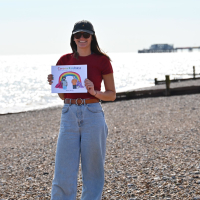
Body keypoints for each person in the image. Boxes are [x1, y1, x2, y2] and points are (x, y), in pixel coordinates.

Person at [47, 20, 116, 200]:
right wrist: (56, 84)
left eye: (86, 34)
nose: (82, 38)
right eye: (78, 35)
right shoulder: (64, 60)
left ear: (92, 37)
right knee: (63, 169)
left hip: (93, 113)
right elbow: (64, 97)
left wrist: (95, 92)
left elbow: (111, 95)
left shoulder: (102, 61)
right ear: (73, 38)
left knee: (93, 170)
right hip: (69, 113)